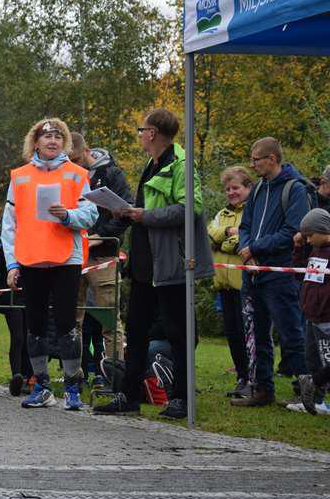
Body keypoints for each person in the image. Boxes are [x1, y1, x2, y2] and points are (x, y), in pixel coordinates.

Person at [93, 108, 214, 419]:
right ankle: (128, 395)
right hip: (144, 261)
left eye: (141, 130)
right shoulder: (152, 164)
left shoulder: (182, 164)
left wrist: (144, 215)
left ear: (152, 133)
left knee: (178, 332)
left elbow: (190, 208)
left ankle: (181, 398)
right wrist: (127, 211)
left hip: (171, 261)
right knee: (136, 330)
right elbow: (148, 206)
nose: (140, 135)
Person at [0, 119, 98, 410]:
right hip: (30, 257)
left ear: (64, 142)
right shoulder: (19, 176)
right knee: (35, 323)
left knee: (67, 323)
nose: (52, 141)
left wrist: (68, 216)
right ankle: (41, 386)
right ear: (36, 142)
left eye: (58, 136)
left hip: (66, 257)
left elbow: (91, 214)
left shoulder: (77, 174)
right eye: (47, 136)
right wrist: (11, 265)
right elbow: (9, 226)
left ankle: (72, 388)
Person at [231, 137, 311, 408]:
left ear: (272, 159)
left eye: (256, 159)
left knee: (291, 332)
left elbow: (293, 230)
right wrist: (247, 250)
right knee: (255, 333)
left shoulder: (295, 189)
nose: (252, 164)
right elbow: (245, 226)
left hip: (280, 273)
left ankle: (307, 391)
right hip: (252, 272)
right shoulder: (257, 190)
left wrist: (255, 248)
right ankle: (262, 388)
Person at [68, 133, 132, 369]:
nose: (73, 165)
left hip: (103, 255)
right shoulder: (67, 176)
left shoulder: (112, 174)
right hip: (74, 253)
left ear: (86, 151)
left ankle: (115, 374)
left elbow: (127, 212)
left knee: (109, 319)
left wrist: (100, 236)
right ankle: (73, 373)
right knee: (72, 319)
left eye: (75, 159)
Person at [208, 166, 254, 398]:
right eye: (227, 189)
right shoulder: (222, 214)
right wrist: (228, 232)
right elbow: (209, 233)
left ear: (248, 187)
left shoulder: (252, 210)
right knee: (233, 334)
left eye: (235, 188)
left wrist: (225, 241)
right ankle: (241, 377)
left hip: (244, 285)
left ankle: (253, 379)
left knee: (249, 335)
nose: (231, 192)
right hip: (224, 285)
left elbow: (245, 240)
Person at [294, 209, 330, 416]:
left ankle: (313, 385)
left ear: (323, 230)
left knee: (328, 363)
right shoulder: (315, 251)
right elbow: (301, 275)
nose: (307, 240)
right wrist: (298, 248)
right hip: (312, 316)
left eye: (310, 235)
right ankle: (317, 401)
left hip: (326, 316)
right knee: (313, 360)